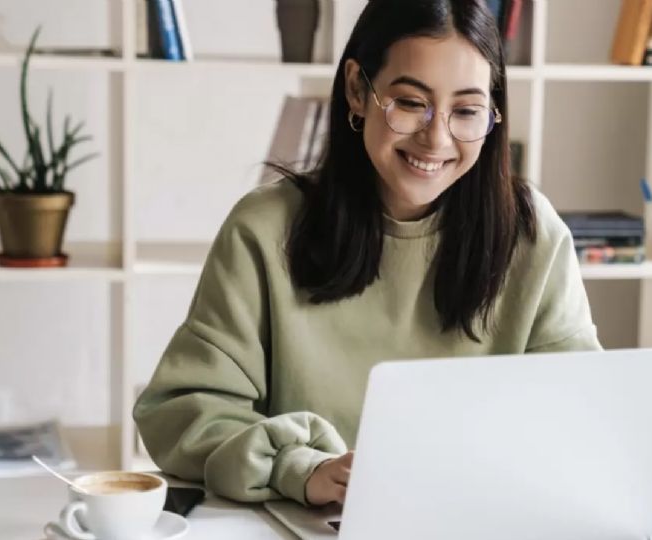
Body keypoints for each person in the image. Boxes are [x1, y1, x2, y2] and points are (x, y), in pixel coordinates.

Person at [134, 0, 600, 509]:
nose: (437, 137)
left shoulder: (533, 234)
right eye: (409, 102)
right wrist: (300, 468)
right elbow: (181, 410)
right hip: (311, 523)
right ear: (358, 89)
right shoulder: (265, 229)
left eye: (466, 111)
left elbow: (579, 416)